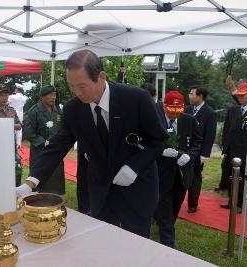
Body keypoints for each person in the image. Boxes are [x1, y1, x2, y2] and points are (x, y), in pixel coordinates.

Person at [16, 49, 168, 238]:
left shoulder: (136, 99)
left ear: (101, 77)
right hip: (101, 192)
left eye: (82, 86)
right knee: (102, 242)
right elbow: (57, 145)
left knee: (134, 246)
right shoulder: (73, 109)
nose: (77, 93)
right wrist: (30, 183)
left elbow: (159, 139)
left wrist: (134, 167)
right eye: (72, 87)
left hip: (137, 189)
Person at [154, 91, 202, 248]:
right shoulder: (155, 118)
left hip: (182, 173)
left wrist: (190, 155)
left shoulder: (189, 120)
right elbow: (147, 139)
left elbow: (197, 141)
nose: (174, 114)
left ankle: (166, 223)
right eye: (171, 110)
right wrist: (160, 151)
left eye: (178, 111)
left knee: (175, 203)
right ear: (165, 106)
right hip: (161, 171)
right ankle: (168, 241)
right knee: (164, 203)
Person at [220, 82, 247, 212]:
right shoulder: (233, 110)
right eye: (238, 95)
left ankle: (240, 203)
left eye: (243, 96)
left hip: (244, 151)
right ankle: (231, 200)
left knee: (241, 179)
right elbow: (226, 129)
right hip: (231, 149)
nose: (239, 98)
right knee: (229, 175)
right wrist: (225, 146)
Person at [23, 85, 65, 195]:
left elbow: (61, 126)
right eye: (51, 95)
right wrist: (43, 142)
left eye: (55, 94)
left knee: (56, 175)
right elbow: (28, 132)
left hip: (55, 149)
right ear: (43, 96)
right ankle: (39, 198)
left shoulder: (56, 109)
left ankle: (55, 197)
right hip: (40, 151)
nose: (54, 97)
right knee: (41, 176)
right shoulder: (34, 111)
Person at [185, 86, 217, 213]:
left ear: (200, 96)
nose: (190, 96)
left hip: (198, 152)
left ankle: (193, 203)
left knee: (195, 177)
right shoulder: (187, 109)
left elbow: (210, 135)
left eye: (192, 94)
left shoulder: (210, 113)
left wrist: (205, 154)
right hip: (185, 149)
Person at [0, 87, 23, 186]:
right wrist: (3, 127)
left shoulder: (12, 110)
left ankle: (16, 188)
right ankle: (1, 188)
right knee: (1, 170)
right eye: (1, 95)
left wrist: (9, 125)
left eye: (6, 95)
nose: (4, 97)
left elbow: (19, 126)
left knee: (16, 167)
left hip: (11, 145)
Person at [8, 83, 28, 148]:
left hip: (12, 113)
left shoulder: (11, 97)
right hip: (20, 114)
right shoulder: (25, 98)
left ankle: (11, 142)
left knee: (12, 128)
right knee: (19, 129)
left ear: (16, 89)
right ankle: (19, 144)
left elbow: (7, 103)